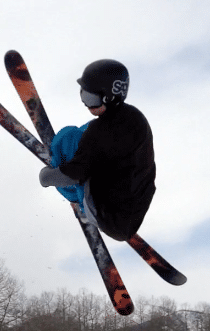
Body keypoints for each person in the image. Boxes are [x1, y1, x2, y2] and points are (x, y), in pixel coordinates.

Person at [39, 59, 156, 242]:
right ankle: (92, 197)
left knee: (67, 139)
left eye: (90, 99)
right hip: (134, 208)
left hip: (105, 215)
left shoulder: (99, 133)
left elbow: (73, 174)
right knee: (85, 132)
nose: (87, 105)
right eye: (83, 95)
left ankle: (79, 200)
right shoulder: (135, 118)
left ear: (109, 97)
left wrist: (46, 177)